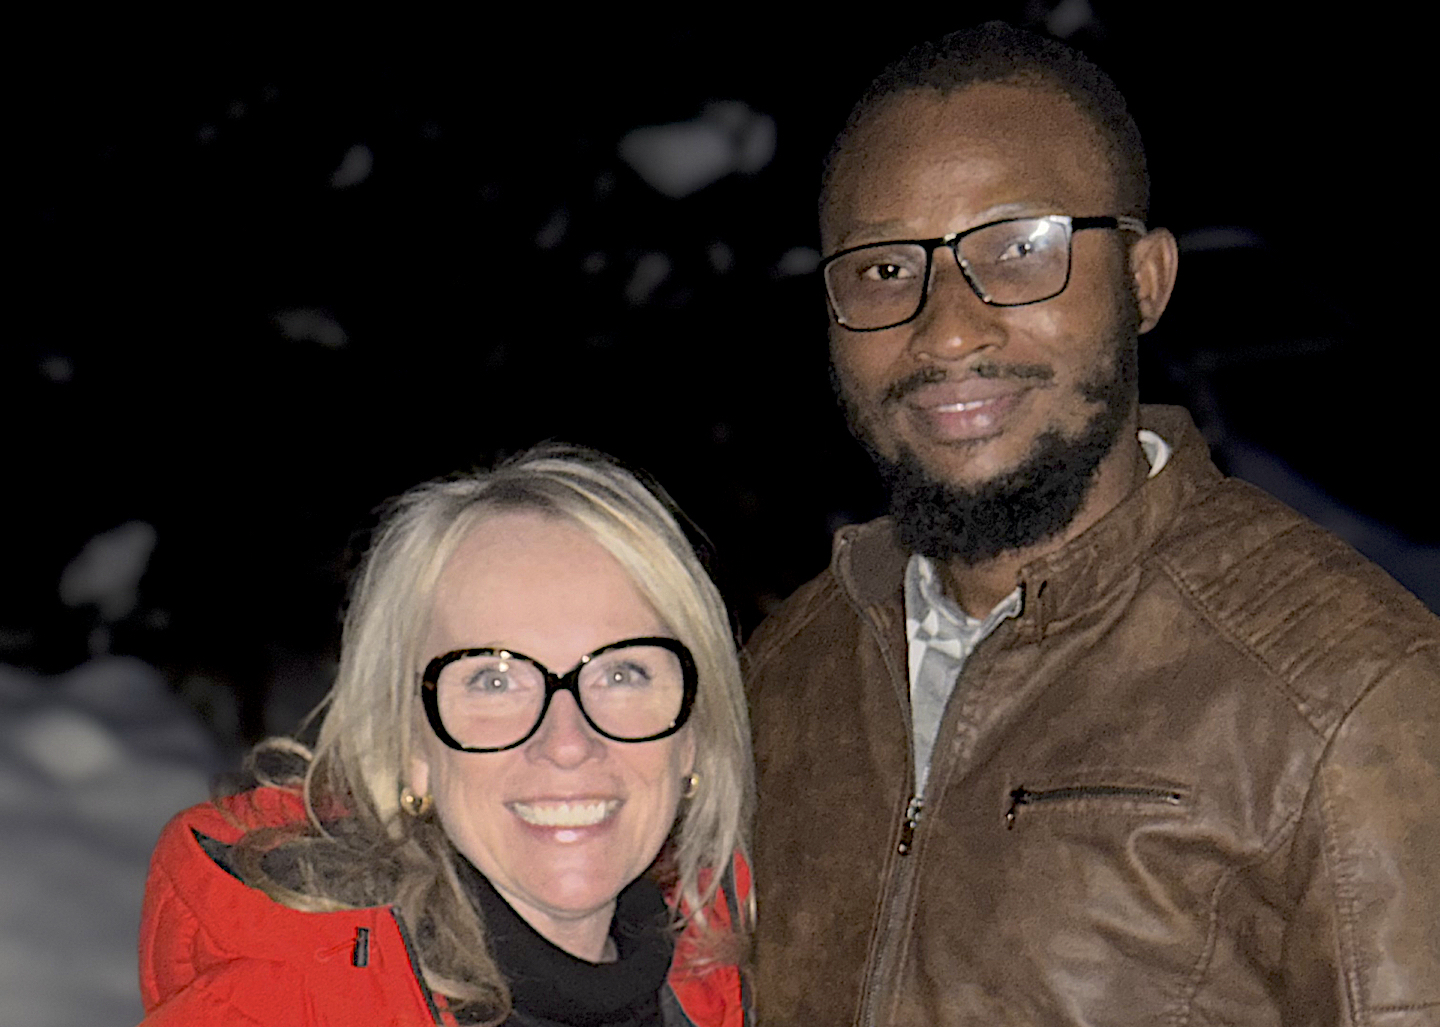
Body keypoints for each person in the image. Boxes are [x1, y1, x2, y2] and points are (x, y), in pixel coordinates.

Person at [745, 22, 1439, 1026]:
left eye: (1022, 250)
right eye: (885, 269)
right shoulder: (780, 672)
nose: (946, 328)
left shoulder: (1350, 697)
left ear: (1146, 282)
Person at [139, 446, 754, 1027]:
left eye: (623, 673)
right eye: (494, 680)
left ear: (693, 734)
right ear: (411, 748)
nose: (567, 742)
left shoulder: (766, 979)